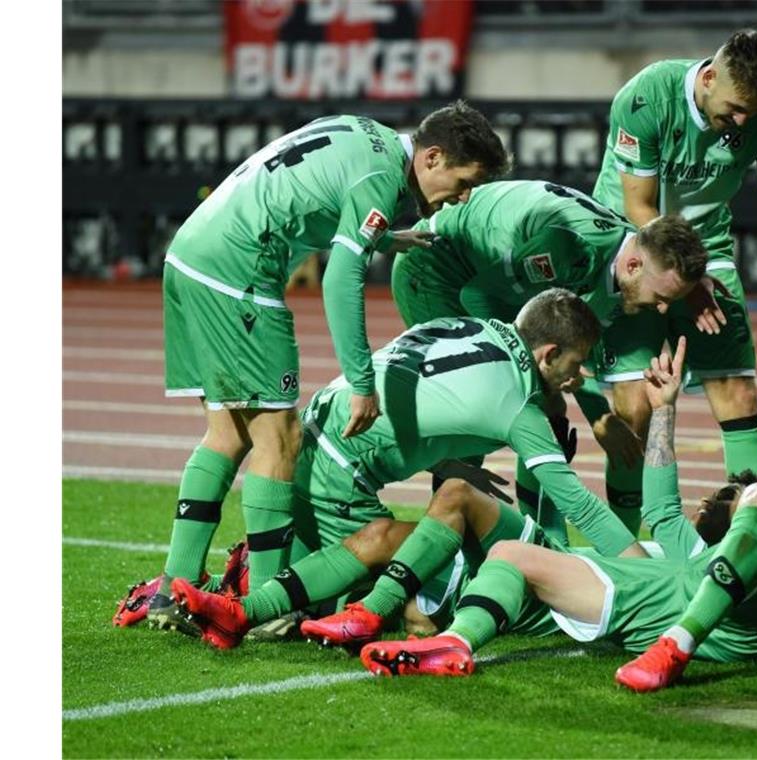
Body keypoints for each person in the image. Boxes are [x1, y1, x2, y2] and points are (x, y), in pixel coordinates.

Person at [356, 321, 757, 691]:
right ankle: (453, 643)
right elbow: (661, 506)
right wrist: (665, 406)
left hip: (753, 628)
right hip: (660, 601)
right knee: (511, 553)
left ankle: (677, 648)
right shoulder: (698, 550)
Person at [149, 102, 509, 631]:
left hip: (190, 256)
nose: (462, 196)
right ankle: (266, 607)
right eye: (464, 180)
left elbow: (309, 193)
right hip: (238, 275)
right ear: (432, 158)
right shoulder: (384, 176)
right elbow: (340, 277)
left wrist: (385, 237)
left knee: (227, 434)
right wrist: (362, 380)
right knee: (282, 439)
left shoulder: (367, 132)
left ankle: (171, 588)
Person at [167, 289, 651, 649]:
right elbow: (577, 504)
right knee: (418, 584)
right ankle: (262, 602)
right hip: (339, 472)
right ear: (546, 354)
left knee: (415, 551)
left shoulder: (480, 326)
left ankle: (257, 579)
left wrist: (451, 460)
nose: (579, 377)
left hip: (319, 431)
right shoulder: (517, 402)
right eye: (577, 363)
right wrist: (643, 574)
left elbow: (421, 394)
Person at [589, 28, 757, 525]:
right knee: (634, 411)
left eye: (754, 111)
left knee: (738, 392)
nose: (741, 122)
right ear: (708, 76)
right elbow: (640, 206)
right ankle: (633, 551)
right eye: (735, 107)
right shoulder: (646, 97)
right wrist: (686, 282)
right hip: (633, 250)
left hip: (708, 251)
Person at [391, 178, 717, 538]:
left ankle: (540, 540)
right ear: (634, 265)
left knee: (546, 409)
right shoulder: (570, 252)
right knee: (485, 410)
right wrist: (582, 407)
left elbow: (568, 346)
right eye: (660, 296)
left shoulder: (625, 264)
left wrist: (598, 415)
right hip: (435, 267)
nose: (661, 308)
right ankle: (447, 546)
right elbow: (478, 296)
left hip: (491, 280)